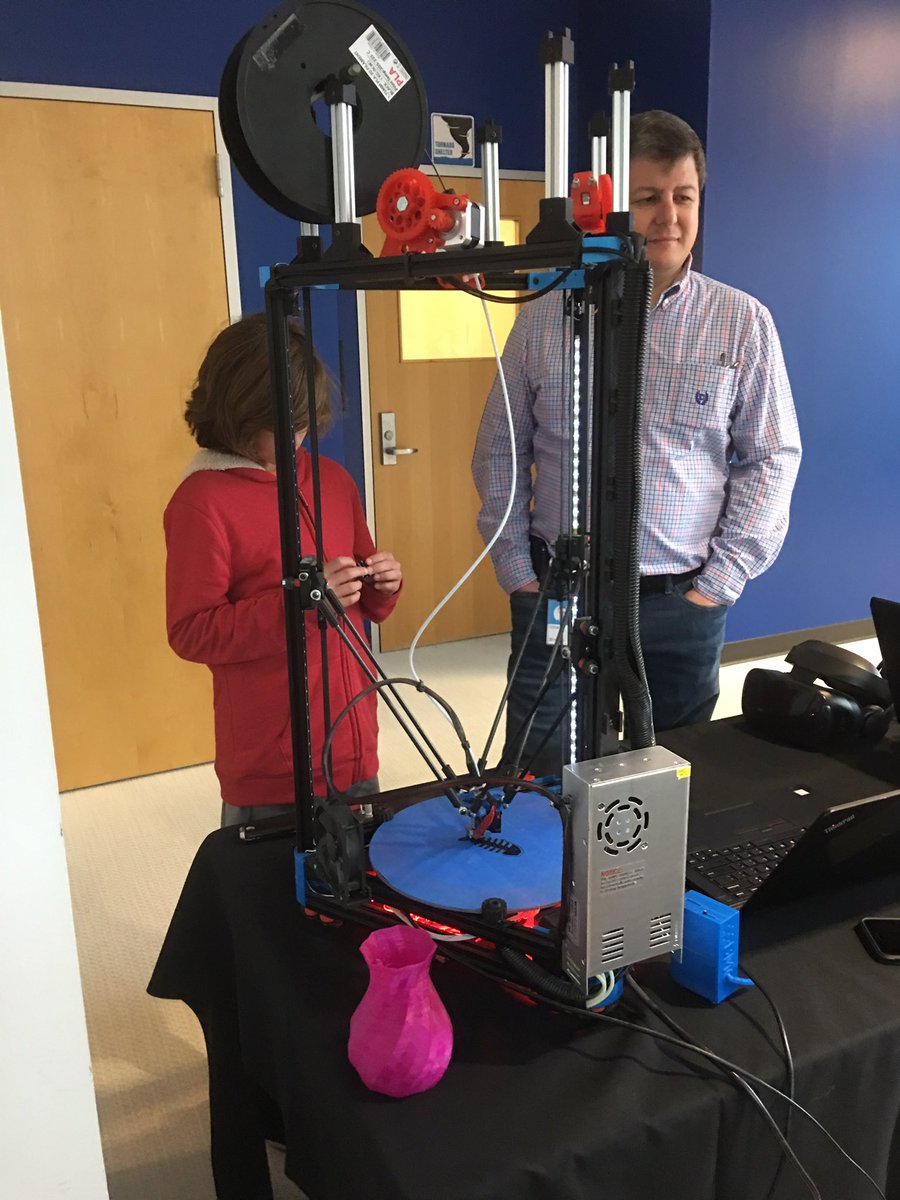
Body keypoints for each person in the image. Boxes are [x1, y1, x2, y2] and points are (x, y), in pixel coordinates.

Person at [472, 110, 801, 774]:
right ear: (614, 207)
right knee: (539, 778)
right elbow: (502, 447)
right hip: (559, 593)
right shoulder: (542, 319)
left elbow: (770, 457)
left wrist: (720, 582)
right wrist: (517, 571)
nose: (669, 218)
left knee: (668, 786)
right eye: (649, 199)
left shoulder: (741, 323)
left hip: (682, 602)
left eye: (684, 198)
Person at [164, 312, 402, 827]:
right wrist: (299, 607)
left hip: (354, 742)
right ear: (239, 415)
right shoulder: (201, 502)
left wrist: (382, 585)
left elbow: (361, 594)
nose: (298, 437)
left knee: (361, 896)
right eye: (284, 426)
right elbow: (191, 631)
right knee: (273, 902)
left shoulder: (333, 480)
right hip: (272, 768)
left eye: (305, 423)